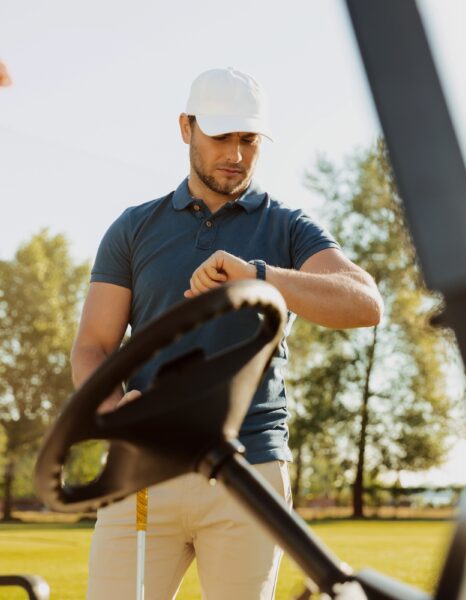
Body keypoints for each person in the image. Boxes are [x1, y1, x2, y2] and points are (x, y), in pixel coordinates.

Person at [71, 67, 383, 600]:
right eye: (221, 136)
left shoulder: (288, 227)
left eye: (248, 140)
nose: (236, 154)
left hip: (251, 471)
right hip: (143, 468)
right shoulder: (133, 227)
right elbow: (94, 345)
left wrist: (258, 276)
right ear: (186, 127)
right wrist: (115, 408)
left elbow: (365, 303)